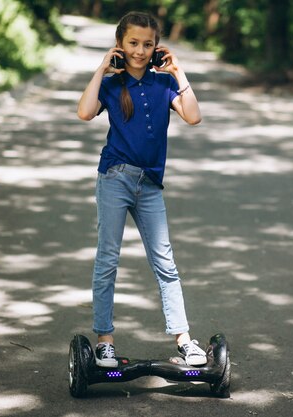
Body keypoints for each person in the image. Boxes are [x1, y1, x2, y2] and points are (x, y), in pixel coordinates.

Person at [77, 11, 206, 368]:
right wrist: (102, 67)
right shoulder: (112, 84)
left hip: (149, 184)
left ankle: (183, 338)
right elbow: (85, 112)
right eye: (133, 43)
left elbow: (193, 116)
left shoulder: (164, 84)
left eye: (147, 44)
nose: (140, 50)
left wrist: (178, 71)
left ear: (157, 47)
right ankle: (105, 340)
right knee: (108, 260)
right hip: (115, 178)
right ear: (120, 44)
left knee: (165, 262)